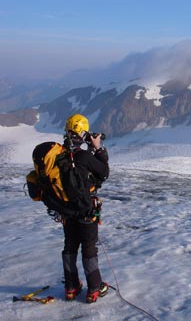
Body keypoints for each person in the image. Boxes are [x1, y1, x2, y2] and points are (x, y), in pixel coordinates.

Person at [61, 114, 110, 303]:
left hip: (66, 210)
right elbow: (104, 172)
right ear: (82, 132)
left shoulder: (60, 155)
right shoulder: (83, 156)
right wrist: (97, 148)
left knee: (70, 245)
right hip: (86, 210)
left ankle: (71, 287)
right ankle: (94, 288)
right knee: (89, 247)